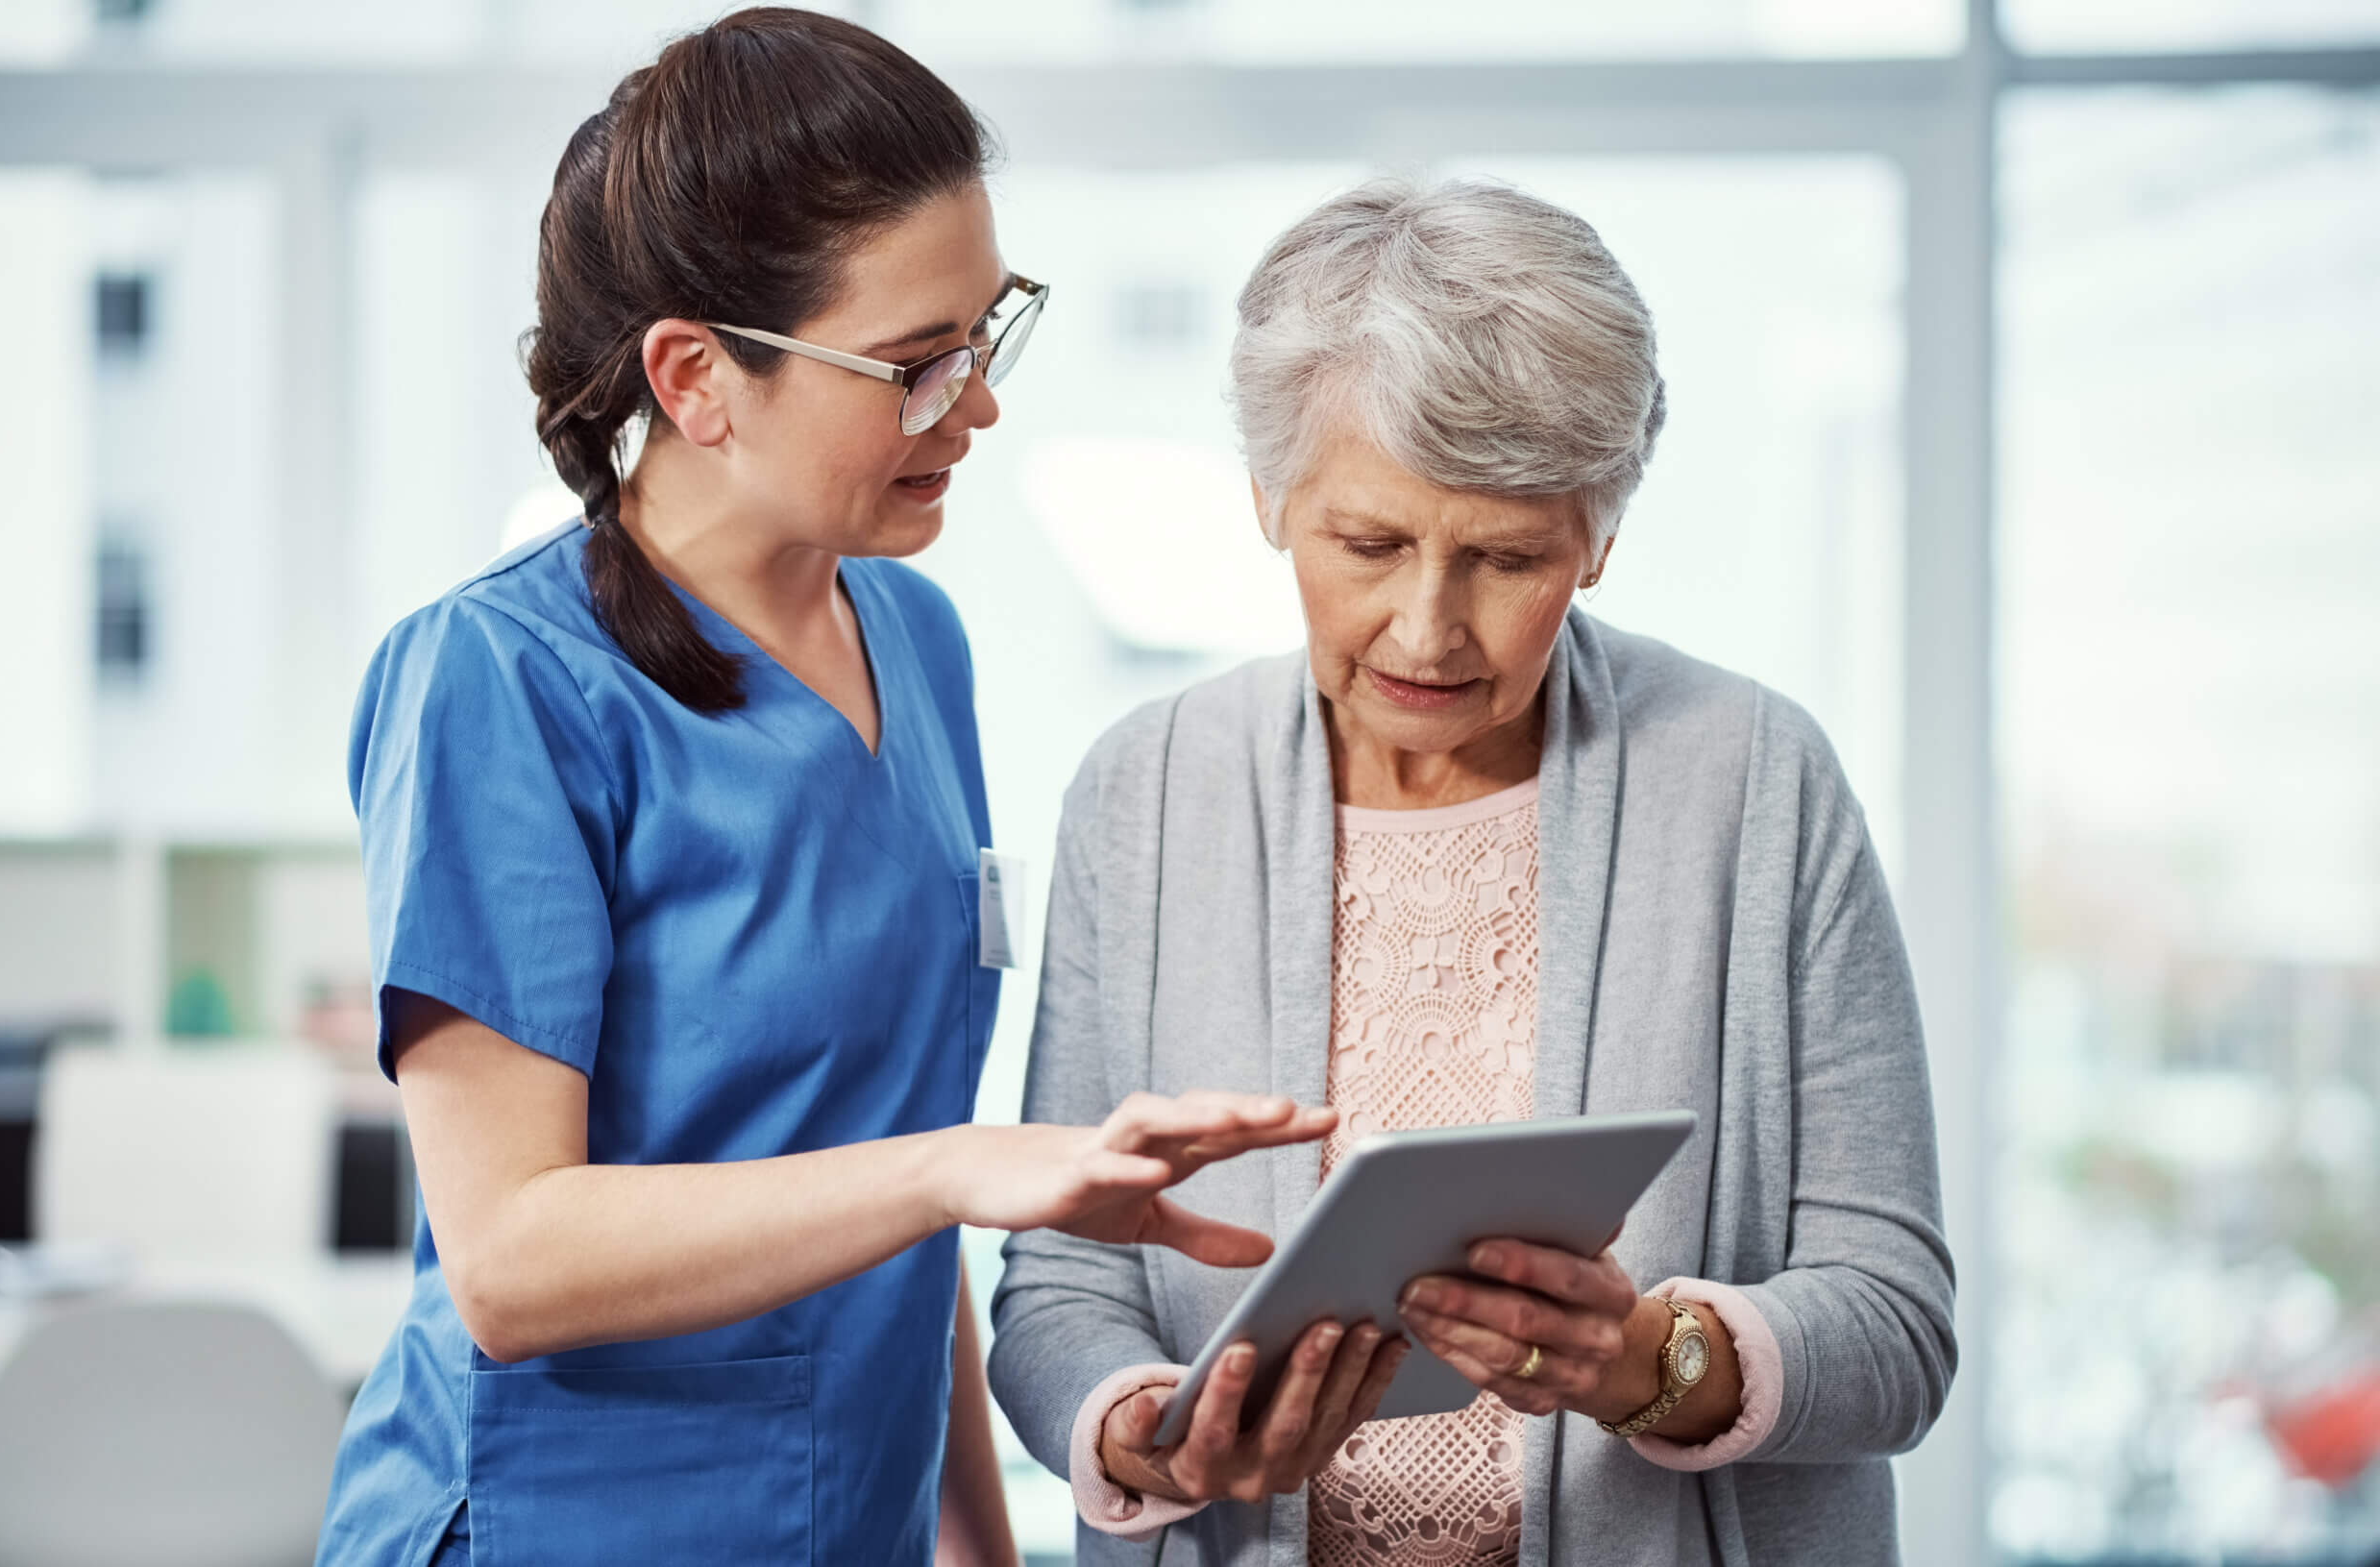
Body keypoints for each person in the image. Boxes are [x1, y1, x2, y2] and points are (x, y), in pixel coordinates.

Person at [312, 12, 1334, 1566]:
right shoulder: (499, 682)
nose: (977, 406)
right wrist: (953, 1173)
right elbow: (512, 1259)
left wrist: (979, 1546)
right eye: (920, 365)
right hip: (556, 1528)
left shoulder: (913, 640)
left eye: (989, 335)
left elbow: (884, 1198)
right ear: (697, 377)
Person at [988, 177, 1957, 1566]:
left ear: (1601, 536)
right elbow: (1063, 1278)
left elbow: (1897, 1325)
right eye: (1369, 544)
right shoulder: (1144, 791)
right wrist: (1141, 1425)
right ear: (1270, 496)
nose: (1430, 629)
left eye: (1506, 557)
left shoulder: (1758, 782)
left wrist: (1645, 1361)